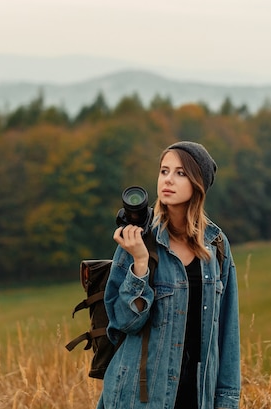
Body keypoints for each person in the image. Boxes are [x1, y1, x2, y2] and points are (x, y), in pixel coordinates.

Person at [96, 141, 241, 409]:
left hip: (196, 397)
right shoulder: (139, 238)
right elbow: (122, 323)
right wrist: (139, 262)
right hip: (138, 398)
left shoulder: (217, 245)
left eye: (180, 173)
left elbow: (228, 333)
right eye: (164, 171)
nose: (168, 180)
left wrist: (227, 401)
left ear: (198, 183)